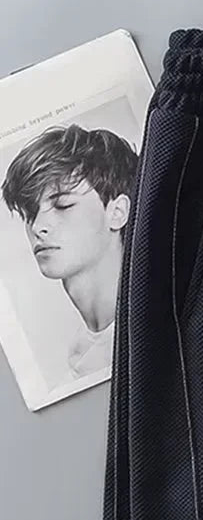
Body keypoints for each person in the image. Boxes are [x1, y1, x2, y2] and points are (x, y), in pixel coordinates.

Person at [2, 124, 138, 379]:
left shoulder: (152, 333)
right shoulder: (79, 354)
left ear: (118, 212)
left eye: (63, 205)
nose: (37, 227)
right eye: (30, 213)